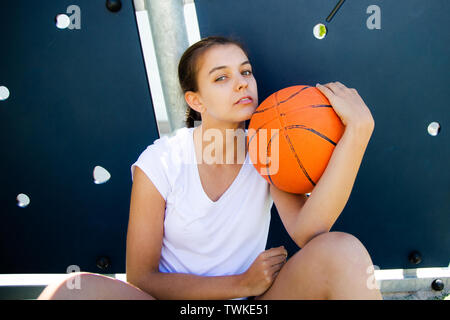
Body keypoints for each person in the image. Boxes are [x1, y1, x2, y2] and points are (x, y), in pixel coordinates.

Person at [38, 36, 382, 300]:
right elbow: (141, 278)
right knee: (71, 289)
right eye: (222, 78)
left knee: (343, 250)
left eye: (245, 71)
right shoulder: (161, 161)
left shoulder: (267, 148)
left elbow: (310, 233)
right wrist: (242, 282)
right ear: (196, 101)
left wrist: (358, 133)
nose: (242, 83)